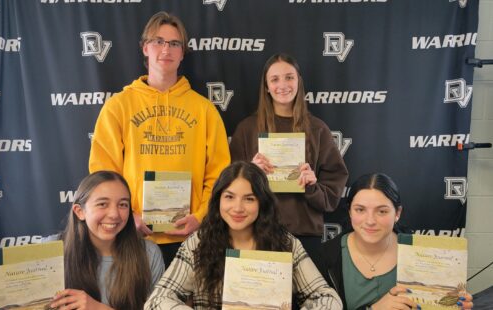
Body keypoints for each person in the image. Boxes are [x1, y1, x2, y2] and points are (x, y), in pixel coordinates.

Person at [88, 11, 230, 267]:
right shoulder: (118, 106)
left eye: (175, 43)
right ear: (145, 48)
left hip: (190, 237)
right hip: (134, 235)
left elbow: (220, 174)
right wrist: (128, 215)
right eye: (158, 41)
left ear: (183, 53)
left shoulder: (204, 109)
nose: (166, 49)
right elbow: (103, 171)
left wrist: (199, 216)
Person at [144, 161, 343, 309]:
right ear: (218, 201)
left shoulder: (285, 242)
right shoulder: (198, 243)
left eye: (249, 198)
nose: (237, 208)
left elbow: (328, 299)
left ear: (262, 203)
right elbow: (157, 300)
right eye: (229, 197)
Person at [230, 53, 348, 268]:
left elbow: (331, 195)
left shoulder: (317, 129)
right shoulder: (247, 129)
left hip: (305, 236)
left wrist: (312, 186)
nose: (282, 85)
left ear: (299, 82)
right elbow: (228, 189)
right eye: (274, 79)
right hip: (256, 235)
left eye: (289, 77)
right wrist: (250, 174)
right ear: (266, 86)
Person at [319, 173, 473, 310]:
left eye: (382, 211)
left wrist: (453, 305)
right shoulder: (326, 257)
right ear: (349, 212)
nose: (370, 221)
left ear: (397, 213)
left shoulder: (422, 252)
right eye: (360, 209)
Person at [48, 171, 164, 309]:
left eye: (123, 205)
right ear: (80, 211)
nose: (114, 214)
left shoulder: (149, 253)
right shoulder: (51, 249)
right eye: (102, 204)